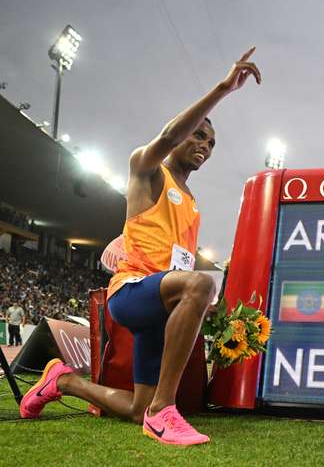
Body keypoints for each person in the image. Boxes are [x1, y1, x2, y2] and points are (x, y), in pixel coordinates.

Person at [19, 47, 262, 446]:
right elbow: (168, 136)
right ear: (182, 135)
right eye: (199, 134)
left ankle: (62, 381)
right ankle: (164, 413)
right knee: (200, 284)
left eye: (212, 142)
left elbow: (177, 261)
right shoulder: (147, 170)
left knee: (136, 408)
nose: (204, 144)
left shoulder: (193, 202)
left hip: (160, 305)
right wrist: (222, 88)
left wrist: (201, 305)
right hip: (131, 292)